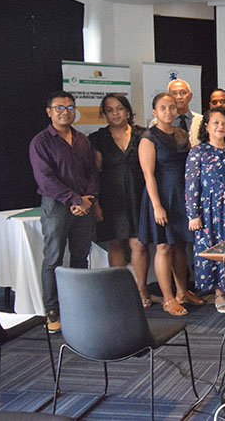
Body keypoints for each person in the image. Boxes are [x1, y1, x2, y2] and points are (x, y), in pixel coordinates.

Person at [29, 91, 98, 332]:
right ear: (49, 111)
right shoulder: (40, 142)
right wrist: (75, 199)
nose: (65, 112)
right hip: (56, 206)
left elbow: (92, 171)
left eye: (70, 107)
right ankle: (52, 311)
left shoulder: (82, 139)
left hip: (84, 205)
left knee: (80, 257)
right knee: (54, 259)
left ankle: (78, 306)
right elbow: (45, 180)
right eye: (59, 107)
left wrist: (87, 198)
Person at [138, 92, 204, 316]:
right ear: (154, 112)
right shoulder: (148, 137)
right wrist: (157, 205)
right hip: (161, 197)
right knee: (163, 246)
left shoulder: (181, 134)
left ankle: (182, 292)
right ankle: (167, 299)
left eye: (172, 107)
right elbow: (148, 176)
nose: (168, 111)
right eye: (163, 108)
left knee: (180, 246)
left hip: (181, 195)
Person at [186, 108, 225, 312]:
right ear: (206, 126)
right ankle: (218, 293)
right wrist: (193, 214)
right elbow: (191, 184)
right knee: (215, 248)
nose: (220, 127)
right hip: (210, 209)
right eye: (215, 123)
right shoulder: (199, 151)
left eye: (224, 123)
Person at [89, 94, 151, 307]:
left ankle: (142, 290)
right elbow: (94, 172)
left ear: (127, 111)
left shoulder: (143, 134)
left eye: (119, 108)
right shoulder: (97, 139)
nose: (115, 113)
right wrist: (95, 202)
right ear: (104, 114)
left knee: (139, 244)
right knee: (115, 243)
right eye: (110, 110)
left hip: (139, 196)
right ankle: (121, 292)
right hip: (111, 198)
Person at [165, 78, 202, 146]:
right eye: (174, 93)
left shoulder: (202, 120)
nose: (179, 97)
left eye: (183, 93)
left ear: (190, 96)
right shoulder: (160, 123)